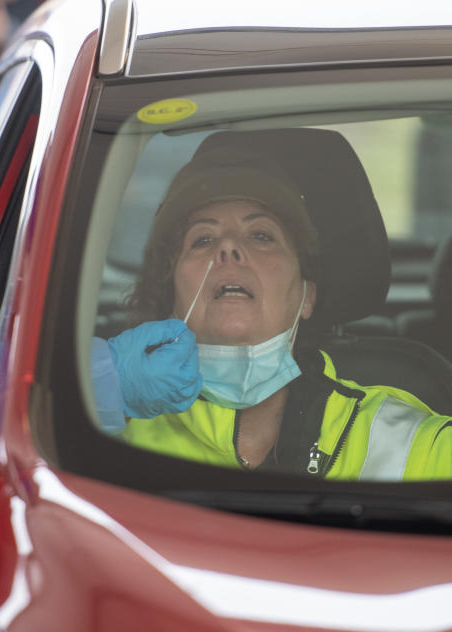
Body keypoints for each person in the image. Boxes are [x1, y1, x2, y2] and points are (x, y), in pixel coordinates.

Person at [92, 136, 452, 480]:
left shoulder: (404, 440)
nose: (229, 248)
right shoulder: (100, 423)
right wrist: (102, 386)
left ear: (306, 297)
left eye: (261, 236)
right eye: (203, 239)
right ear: (170, 297)